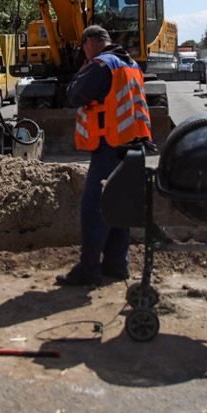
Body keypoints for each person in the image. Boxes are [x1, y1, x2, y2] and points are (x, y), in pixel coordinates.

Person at [56, 25, 152, 286]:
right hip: (133, 145)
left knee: (94, 210)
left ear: (89, 43)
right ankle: (117, 265)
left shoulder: (101, 65)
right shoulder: (130, 64)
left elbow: (74, 95)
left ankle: (88, 270)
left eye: (83, 48)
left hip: (110, 144)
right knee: (118, 206)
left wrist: (81, 71)